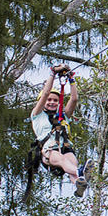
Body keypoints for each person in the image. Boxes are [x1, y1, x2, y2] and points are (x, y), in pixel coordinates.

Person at [30, 64, 92, 198]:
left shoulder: (63, 116)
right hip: (49, 151)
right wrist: (52, 74)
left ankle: (78, 184)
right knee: (65, 161)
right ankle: (80, 172)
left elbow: (74, 99)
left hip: (64, 147)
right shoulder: (37, 114)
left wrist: (71, 79)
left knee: (72, 163)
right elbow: (46, 93)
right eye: (49, 100)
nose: (52, 102)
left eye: (55, 101)